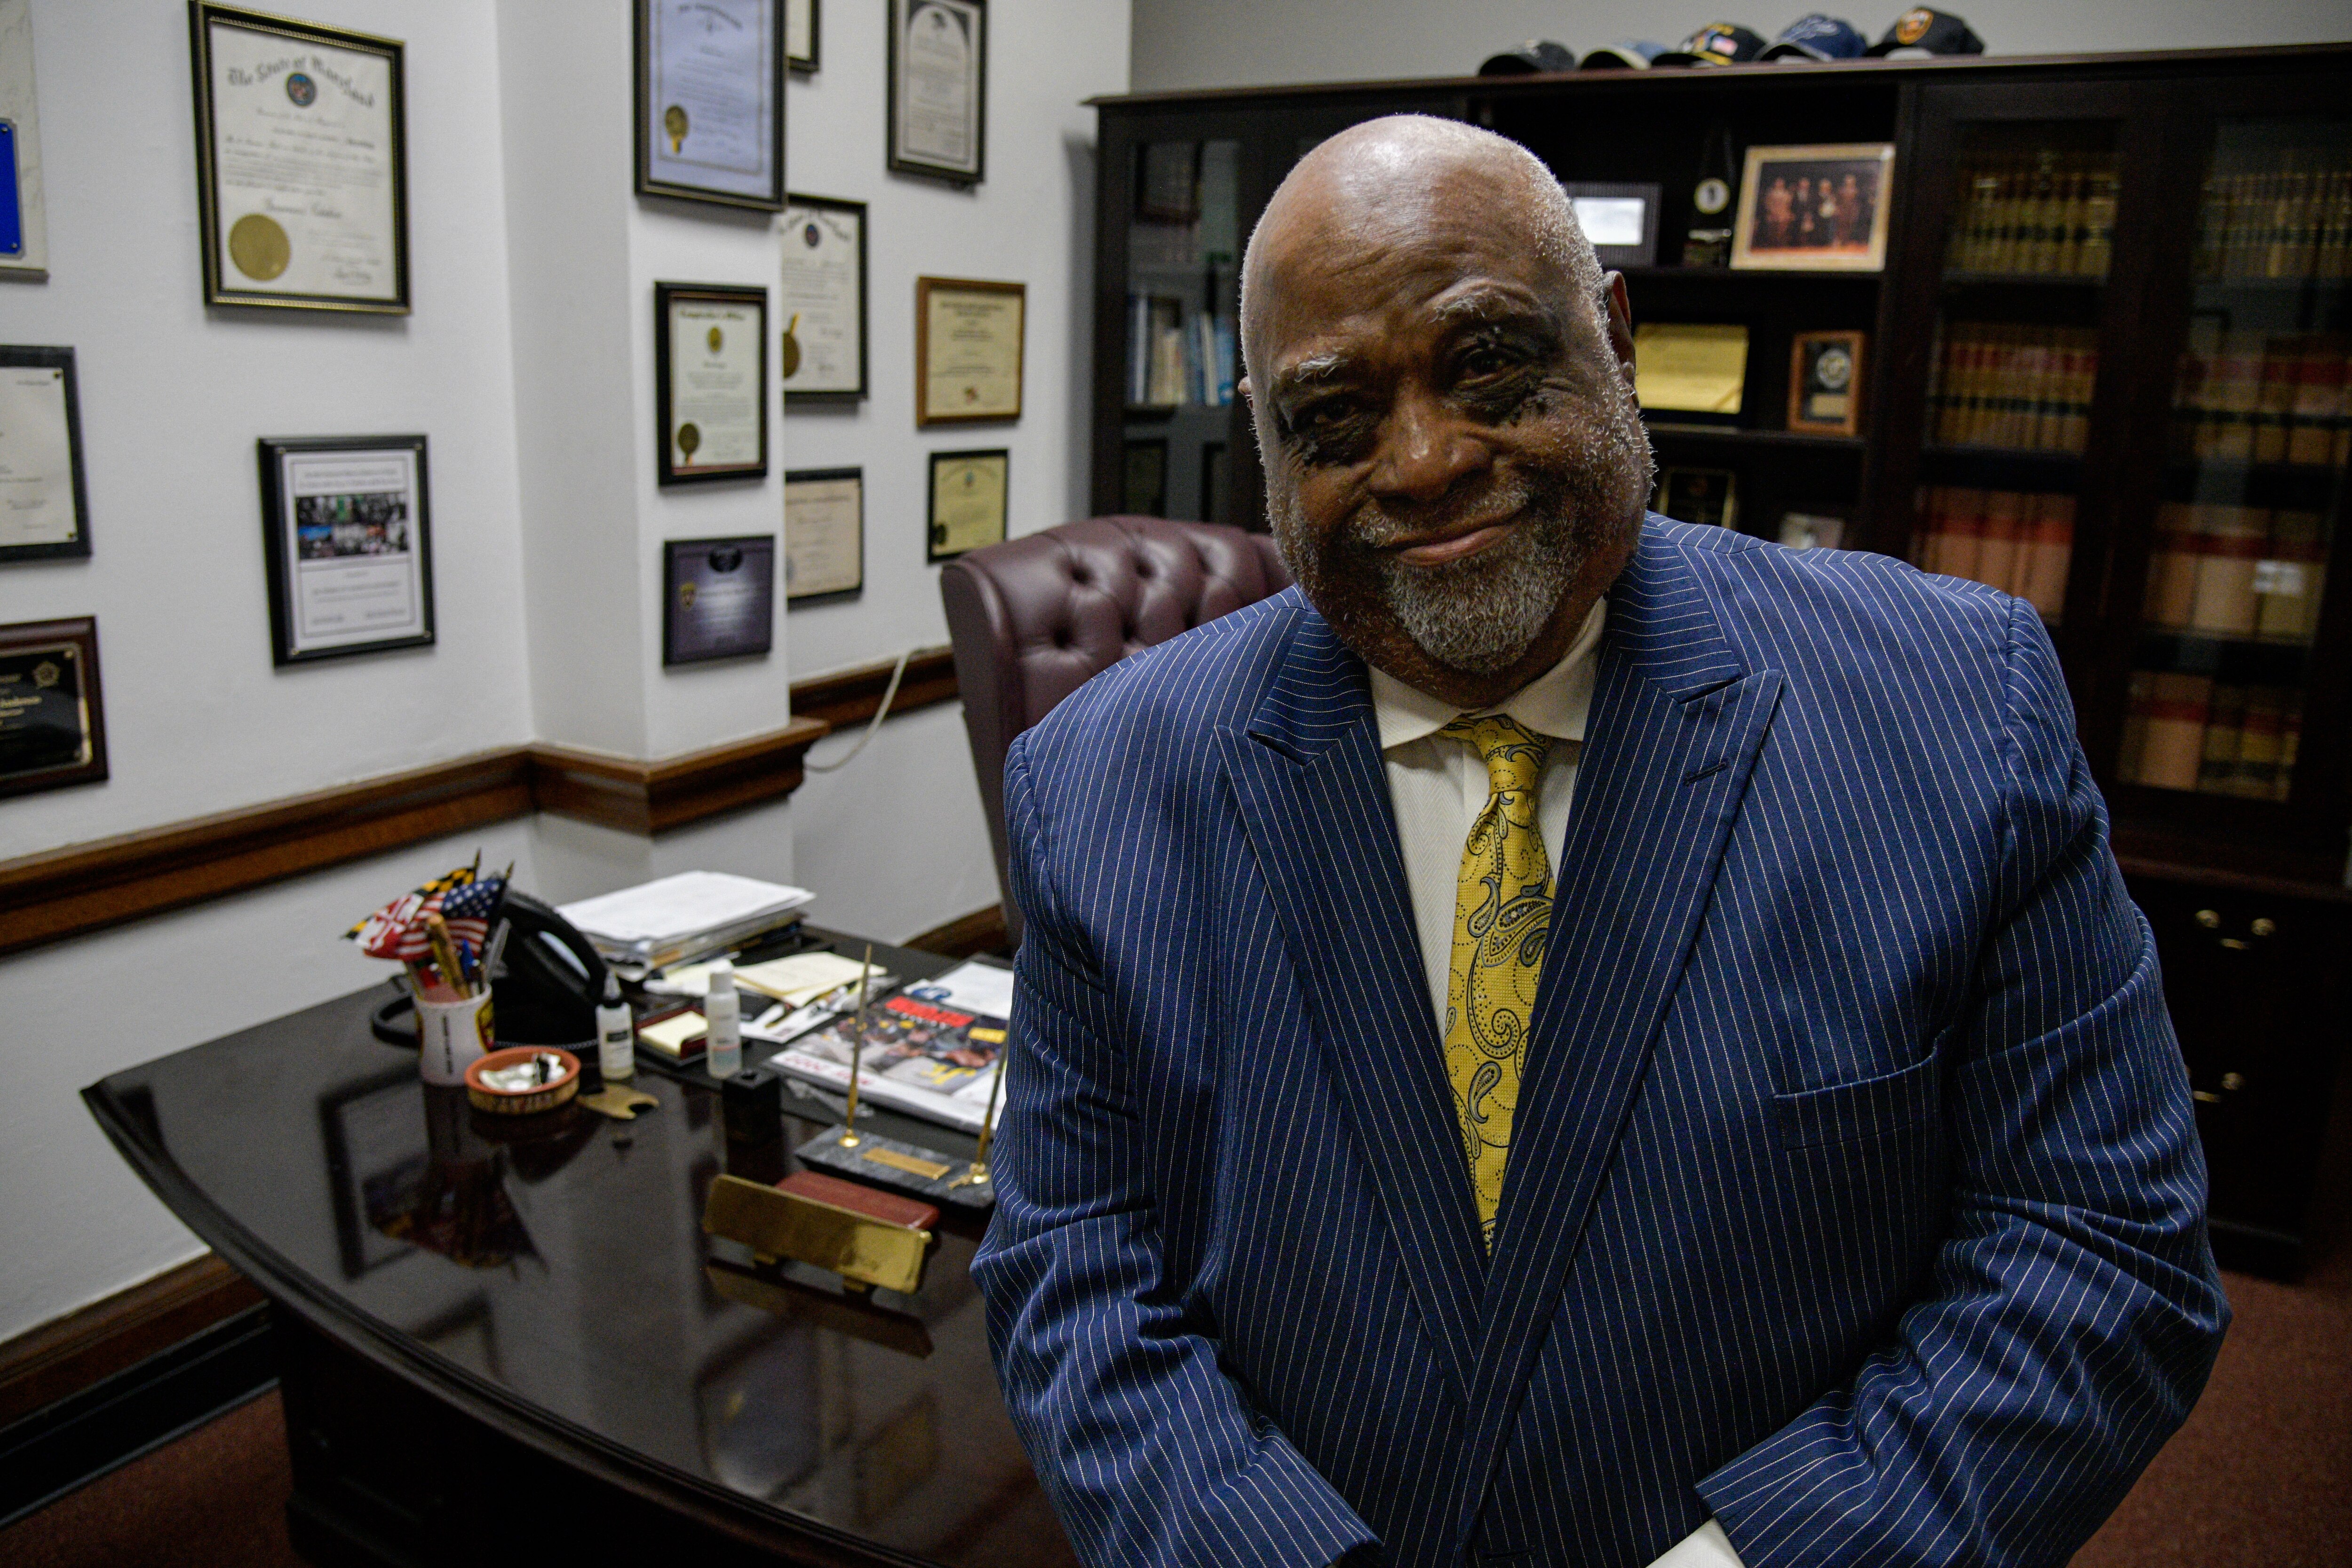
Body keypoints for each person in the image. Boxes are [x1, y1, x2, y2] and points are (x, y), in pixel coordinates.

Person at [973, 114, 2225, 1568]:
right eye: (1335, 418)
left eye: (1488, 361)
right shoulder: (1098, 782)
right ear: (1265, 446)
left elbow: (2099, 1246)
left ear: (1616, 339)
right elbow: (1076, 1267)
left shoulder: (1953, 707)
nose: (1427, 462)